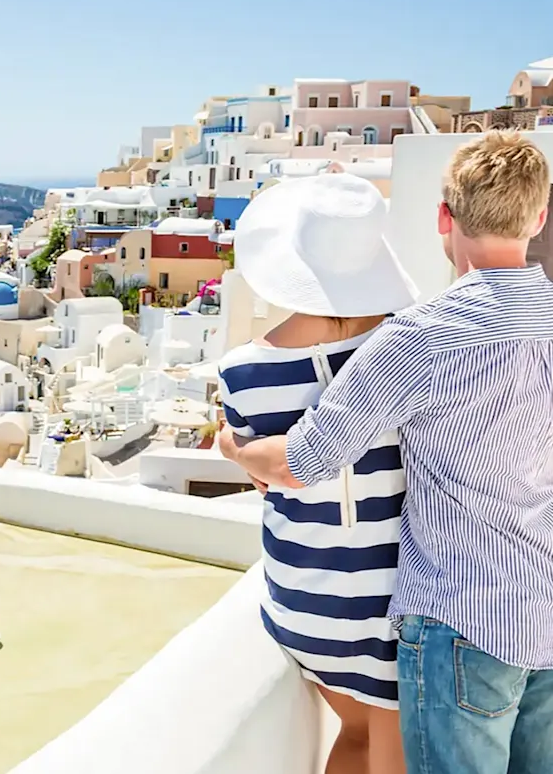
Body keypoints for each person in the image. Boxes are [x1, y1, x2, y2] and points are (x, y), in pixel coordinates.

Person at [221, 130, 553, 774]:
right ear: (539, 218)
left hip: (464, 619)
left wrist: (236, 450)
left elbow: (304, 462)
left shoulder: (422, 336)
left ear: (443, 218)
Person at [217, 171, 416, 774]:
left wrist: (232, 447)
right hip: (387, 600)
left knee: (356, 734)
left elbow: (264, 477)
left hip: (301, 595)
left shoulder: (242, 372)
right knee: (382, 743)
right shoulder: (409, 352)